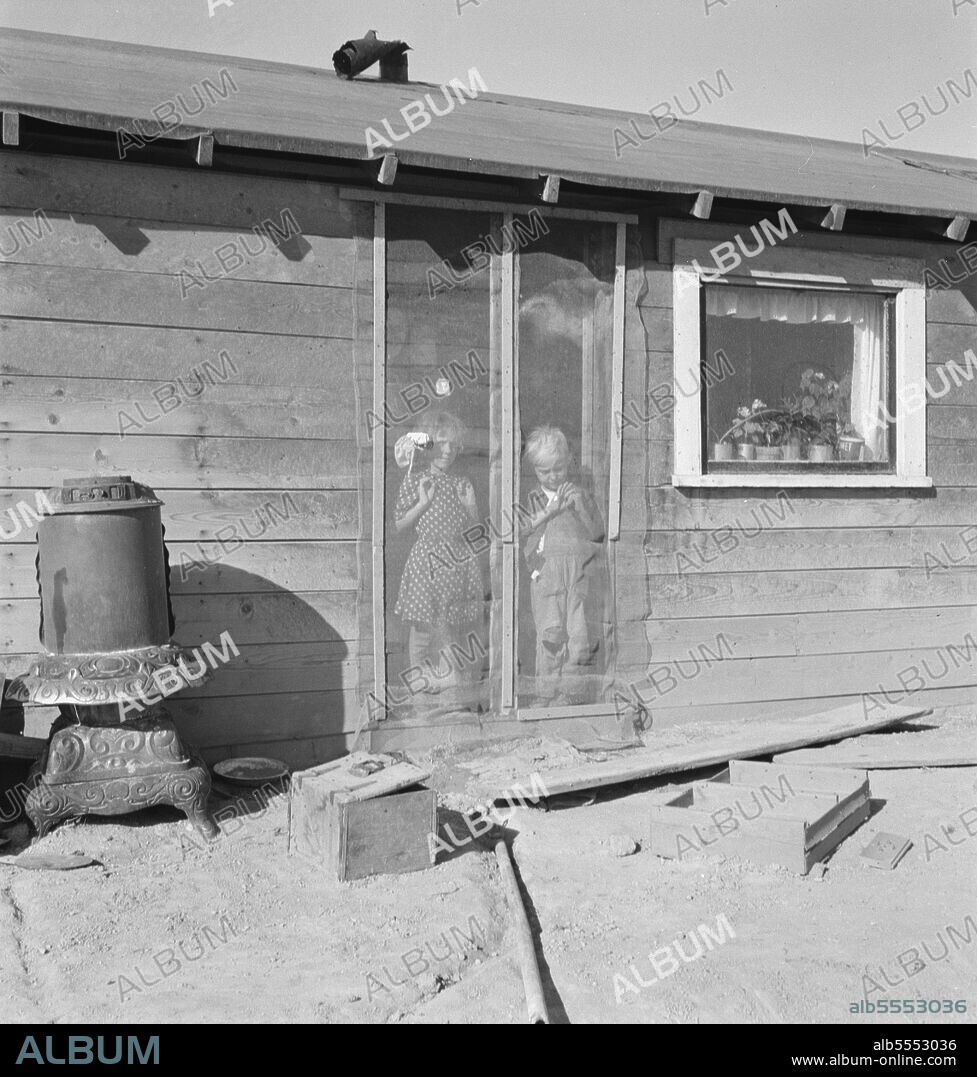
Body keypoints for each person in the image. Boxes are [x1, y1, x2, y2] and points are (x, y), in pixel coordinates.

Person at [393, 411, 483, 712]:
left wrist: (472, 508)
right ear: (428, 446)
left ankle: (448, 691)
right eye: (441, 443)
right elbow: (398, 525)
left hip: (457, 563)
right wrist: (422, 503)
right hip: (427, 563)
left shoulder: (461, 483)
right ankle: (418, 681)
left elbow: (476, 534)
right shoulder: (418, 480)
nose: (447, 451)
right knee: (422, 629)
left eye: (453, 445)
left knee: (451, 629)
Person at [521, 425, 604, 706]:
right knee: (550, 635)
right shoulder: (533, 497)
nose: (553, 476)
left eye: (558, 469)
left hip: (577, 575)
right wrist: (550, 510)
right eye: (545, 471)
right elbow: (520, 531)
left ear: (568, 462)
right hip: (546, 574)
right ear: (534, 469)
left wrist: (579, 507)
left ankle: (570, 693)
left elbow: (597, 534)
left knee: (578, 635)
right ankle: (545, 693)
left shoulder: (578, 494)